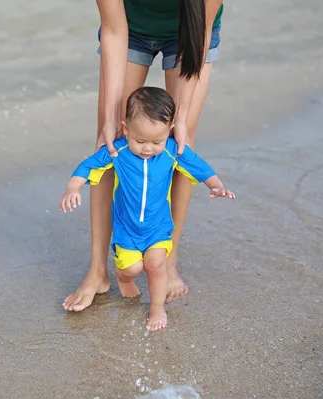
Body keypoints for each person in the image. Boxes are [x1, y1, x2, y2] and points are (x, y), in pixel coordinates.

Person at [63, 0, 225, 311]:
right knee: (110, 142)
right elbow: (112, 29)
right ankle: (98, 271)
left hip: (190, 34)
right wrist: (111, 117)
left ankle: (167, 261)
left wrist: (183, 116)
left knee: (179, 143)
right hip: (129, 30)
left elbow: (199, 31)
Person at [59, 87, 235, 330]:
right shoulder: (117, 151)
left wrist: (217, 186)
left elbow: (200, 167)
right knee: (132, 268)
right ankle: (122, 277)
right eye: (139, 141)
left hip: (158, 228)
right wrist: (73, 188)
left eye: (157, 141)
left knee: (155, 264)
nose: (148, 148)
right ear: (125, 128)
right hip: (127, 229)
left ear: (170, 131)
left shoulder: (173, 151)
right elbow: (87, 166)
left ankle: (157, 308)